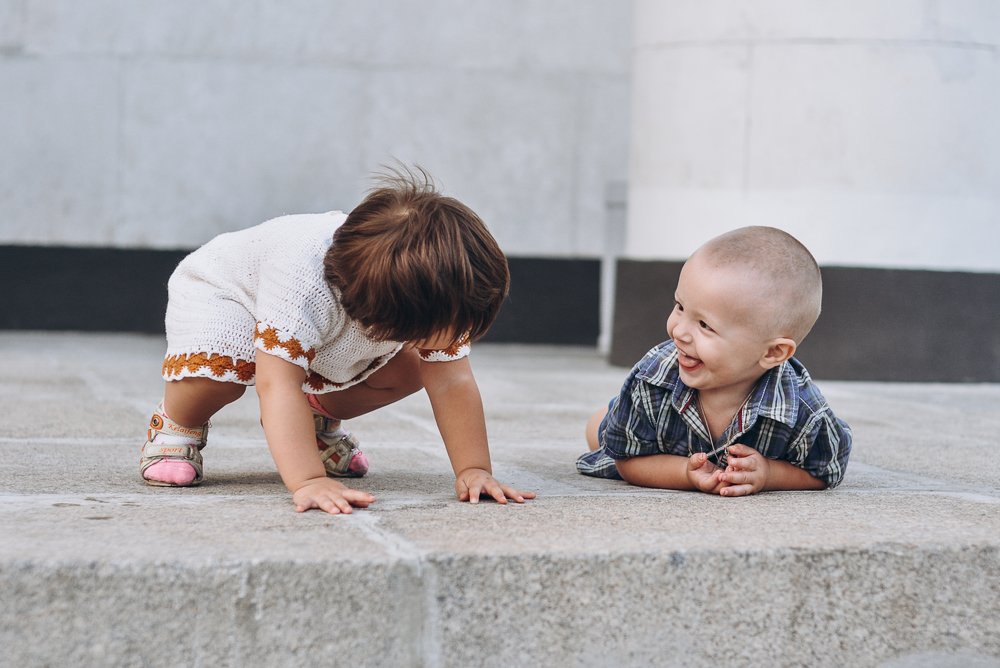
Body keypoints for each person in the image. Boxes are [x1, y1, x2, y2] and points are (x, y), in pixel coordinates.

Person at [140, 167, 535, 514]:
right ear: (392, 311)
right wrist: (308, 480)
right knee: (221, 377)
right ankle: (177, 425)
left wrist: (474, 469)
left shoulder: (419, 287)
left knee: (414, 368)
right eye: (430, 332)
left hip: (333, 322)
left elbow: (452, 381)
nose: (445, 342)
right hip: (226, 294)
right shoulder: (300, 275)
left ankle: (314, 422)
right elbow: (276, 384)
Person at [577, 226, 851, 496]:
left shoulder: (802, 408)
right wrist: (684, 473)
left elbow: (825, 471)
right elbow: (627, 460)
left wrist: (769, 473)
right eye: (680, 307)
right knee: (598, 432)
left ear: (773, 353)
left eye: (705, 325)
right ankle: (608, 412)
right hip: (654, 447)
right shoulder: (652, 378)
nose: (679, 332)